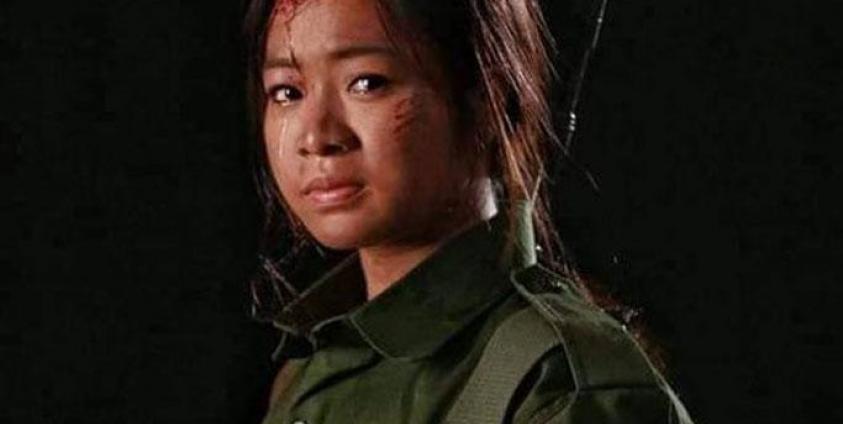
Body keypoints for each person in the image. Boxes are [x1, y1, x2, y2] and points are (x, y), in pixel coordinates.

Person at [243, 0, 695, 422]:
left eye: (368, 83)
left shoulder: (561, 387)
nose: (316, 137)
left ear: (488, 99)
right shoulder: (308, 375)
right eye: (286, 92)